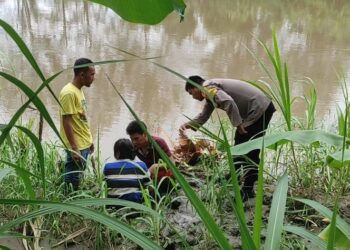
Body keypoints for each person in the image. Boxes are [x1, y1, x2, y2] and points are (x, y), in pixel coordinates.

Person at [180, 76, 275, 200]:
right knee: (239, 145)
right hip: (258, 108)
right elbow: (204, 115)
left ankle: (248, 189)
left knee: (250, 149)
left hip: (259, 109)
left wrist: (238, 124)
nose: (193, 97)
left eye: (191, 93)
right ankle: (233, 176)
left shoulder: (208, 88)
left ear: (195, 87)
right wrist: (187, 125)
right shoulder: (210, 93)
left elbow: (228, 101)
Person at [59, 58, 95, 192]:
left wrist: (89, 139)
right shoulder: (69, 93)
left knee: (77, 175)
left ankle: (74, 201)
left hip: (83, 142)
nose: (93, 78)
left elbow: (82, 117)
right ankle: (68, 204)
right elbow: (66, 121)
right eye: (91, 74)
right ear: (81, 75)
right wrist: (74, 148)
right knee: (72, 178)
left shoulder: (78, 90)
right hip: (77, 145)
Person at [126, 120, 175, 195]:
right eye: (132, 139)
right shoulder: (133, 147)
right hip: (146, 178)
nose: (134, 142)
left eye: (136, 139)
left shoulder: (158, 143)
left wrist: (157, 166)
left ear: (145, 134)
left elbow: (172, 163)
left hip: (161, 178)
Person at [103, 139, 150, 204]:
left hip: (113, 204)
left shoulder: (108, 166)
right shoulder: (141, 165)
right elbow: (148, 185)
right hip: (135, 205)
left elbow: (104, 184)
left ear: (116, 152)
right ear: (132, 151)